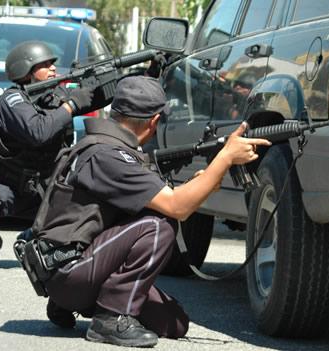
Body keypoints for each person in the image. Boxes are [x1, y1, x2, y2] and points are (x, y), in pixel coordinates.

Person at [28, 76, 271, 347]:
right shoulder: (108, 156)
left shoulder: (96, 146)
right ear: (154, 121)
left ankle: (73, 303)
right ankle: (109, 318)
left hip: (66, 269)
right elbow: (176, 207)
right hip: (69, 272)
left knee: (174, 322)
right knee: (159, 225)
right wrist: (225, 157)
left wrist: (203, 182)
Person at [0, 41, 94, 269]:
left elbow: (105, 96)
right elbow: (39, 131)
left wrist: (146, 74)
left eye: (53, 63)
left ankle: (33, 235)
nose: (53, 68)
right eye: (45, 64)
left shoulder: (56, 96)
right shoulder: (12, 101)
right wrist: (71, 105)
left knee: (93, 204)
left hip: (47, 187)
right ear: (26, 70)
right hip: (6, 184)